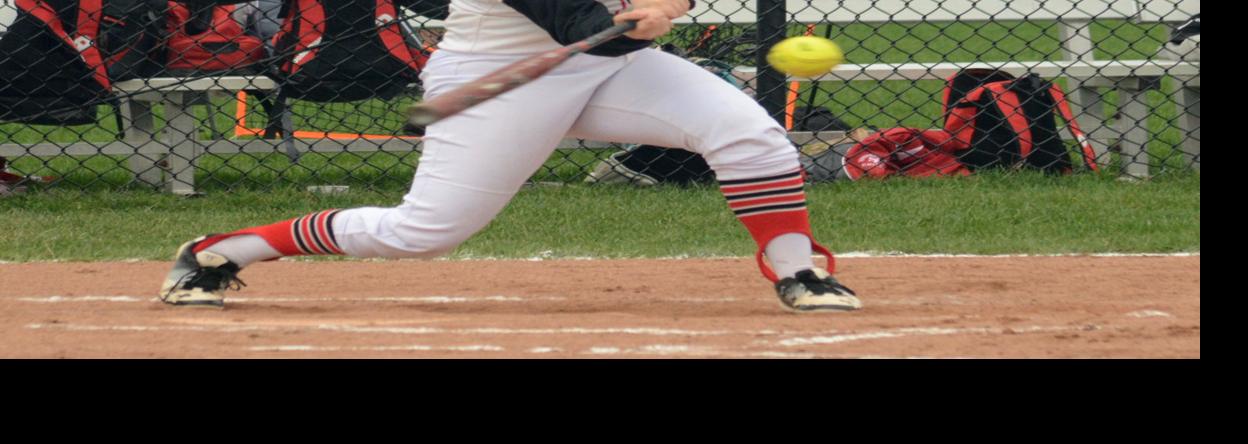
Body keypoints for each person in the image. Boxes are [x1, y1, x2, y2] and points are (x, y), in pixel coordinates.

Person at [158, 0, 862, 313]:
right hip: (498, 75)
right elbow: (581, 23)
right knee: (423, 231)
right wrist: (633, 23)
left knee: (749, 135)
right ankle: (223, 251)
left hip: (611, 68)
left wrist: (664, 4)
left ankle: (797, 269)